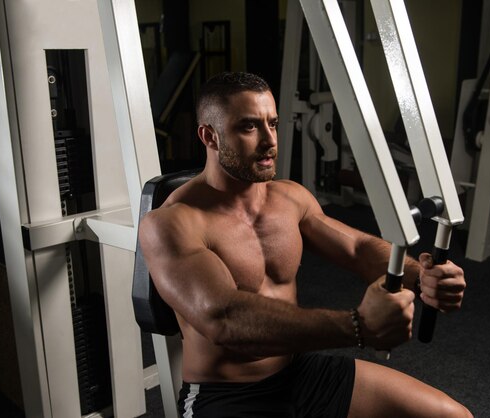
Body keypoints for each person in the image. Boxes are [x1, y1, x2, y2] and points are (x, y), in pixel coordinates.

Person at [139, 72, 472, 417]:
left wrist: (420, 277)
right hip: (226, 396)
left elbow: (357, 248)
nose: (269, 141)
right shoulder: (171, 223)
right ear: (210, 136)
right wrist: (358, 326)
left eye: (273, 124)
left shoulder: (289, 198)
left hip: (300, 376)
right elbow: (224, 318)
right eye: (249, 127)